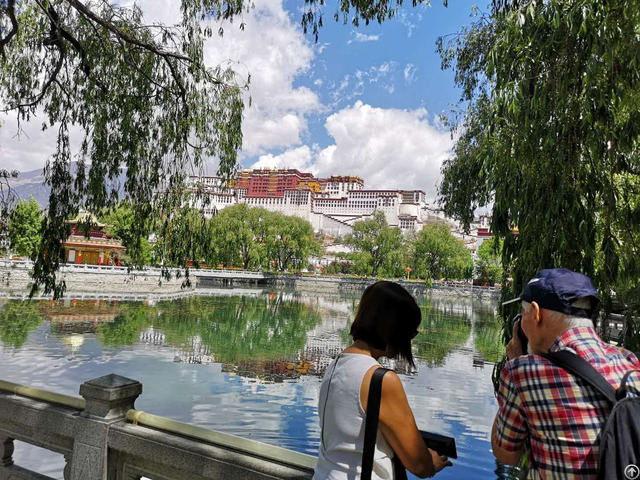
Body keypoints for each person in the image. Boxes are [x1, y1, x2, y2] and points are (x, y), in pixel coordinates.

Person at [492, 268, 640, 478]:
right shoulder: (630, 361)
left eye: (522, 315)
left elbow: (506, 454)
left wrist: (514, 361)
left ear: (536, 313)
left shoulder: (523, 372)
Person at [314, 281, 452, 479]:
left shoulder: (334, 365)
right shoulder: (381, 380)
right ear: (395, 329)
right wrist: (431, 462)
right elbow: (419, 465)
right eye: (410, 332)